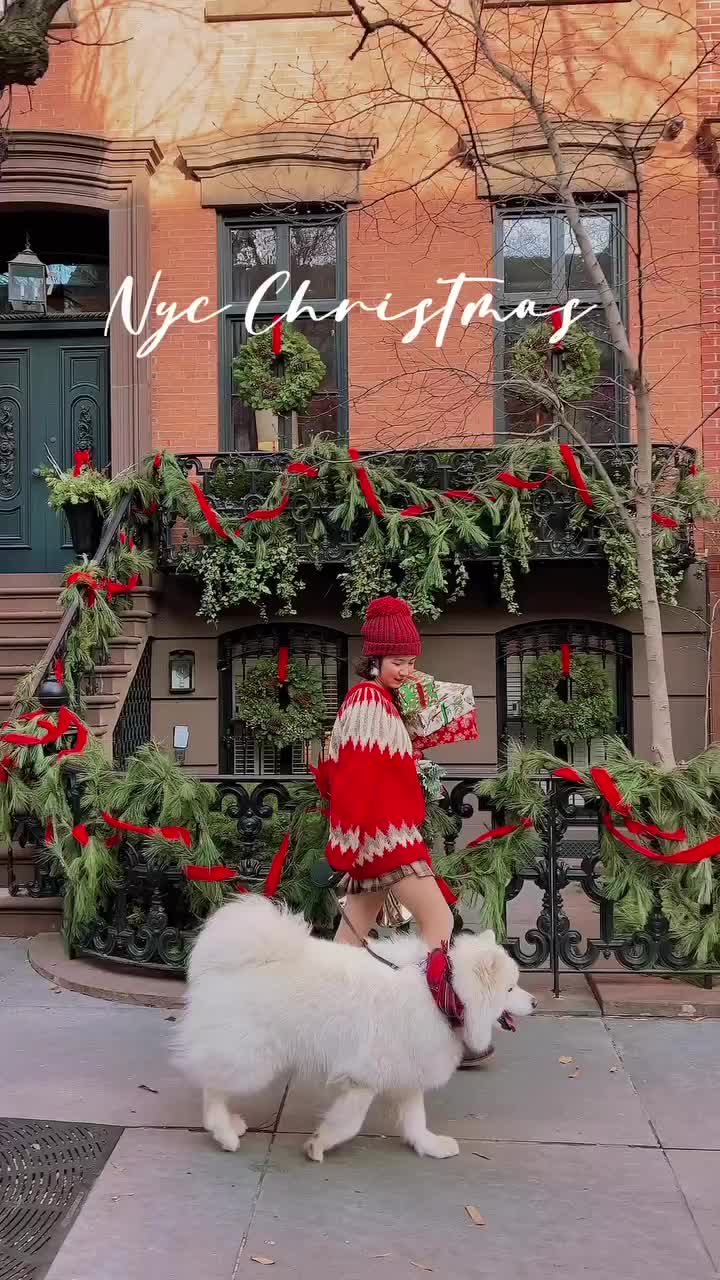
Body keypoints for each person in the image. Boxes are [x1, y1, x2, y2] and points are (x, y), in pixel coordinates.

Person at [322, 595, 493, 1067]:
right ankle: (441, 1027)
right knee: (439, 923)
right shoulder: (368, 699)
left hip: (377, 840)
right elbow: (353, 776)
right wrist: (344, 844)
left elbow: (442, 723)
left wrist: (417, 685)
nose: (406, 670)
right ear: (373, 659)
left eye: (412, 661)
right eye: (397, 661)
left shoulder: (386, 701)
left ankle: (327, 1025)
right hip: (387, 840)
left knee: (349, 942)